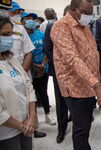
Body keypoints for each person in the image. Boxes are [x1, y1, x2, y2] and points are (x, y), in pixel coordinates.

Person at [50, 0, 101, 149]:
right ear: (73, 9)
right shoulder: (61, 26)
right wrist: (96, 85)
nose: (89, 16)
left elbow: (93, 56)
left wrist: (97, 85)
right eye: (85, 12)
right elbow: (73, 58)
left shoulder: (85, 27)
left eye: (91, 13)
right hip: (75, 88)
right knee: (81, 130)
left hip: (89, 86)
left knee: (85, 127)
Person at [0, 15, 36, 150]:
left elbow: (28, 87)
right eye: (5, 34)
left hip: (26, 125)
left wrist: (31, 117)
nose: (9, 39)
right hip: (6, 133)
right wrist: (21, 126)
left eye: (10, 34)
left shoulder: (10, 59)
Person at [21, 12, 56, 126]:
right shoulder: (22, 36)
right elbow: (25, 54)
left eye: (33, 19)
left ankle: (47, 115)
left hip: (42, 68)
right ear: (22, 21)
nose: (31, 20)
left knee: (43, 92)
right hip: (29, 70)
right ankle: (34, 119)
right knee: (32, 95)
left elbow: (47, 49)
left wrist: (42, 64)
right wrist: (34, 67)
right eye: (28, 18)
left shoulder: (40, 34)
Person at [44, 4, 71, 144]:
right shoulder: (52, 27)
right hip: (59, 72)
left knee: (75, 100)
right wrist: (61, 64)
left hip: (75, 72)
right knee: (61, 102)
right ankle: (62, 130)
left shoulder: (78, 29)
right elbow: (48, 49)